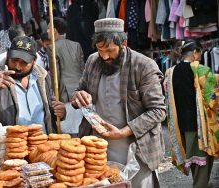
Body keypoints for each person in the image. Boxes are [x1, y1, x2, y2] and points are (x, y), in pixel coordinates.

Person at [71, 18, 166, 187]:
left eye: (109, 50)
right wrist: (78, 96)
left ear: (124, 43)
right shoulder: (93, 61)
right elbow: (79, 91)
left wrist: (123, 132)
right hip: (99, 151)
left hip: (136, 151)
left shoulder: (144, 66)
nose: (105, 56)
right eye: (100, 49)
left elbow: (158, 111)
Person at [0, 36, 66, 133]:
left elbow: (51, 109)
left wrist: (60, 112)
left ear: (34, 61)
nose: (17, 66)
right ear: (8, 55)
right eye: (14, 60)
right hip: (9, 146)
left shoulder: (43, 77)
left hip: (42, 144)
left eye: (24, 62)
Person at [164, 39, 218, 188]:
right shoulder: (200, 70)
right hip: (199, 123)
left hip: (180, 123)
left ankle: (202, 184)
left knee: (193, 157)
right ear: (195, 53)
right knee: (204, 158)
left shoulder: (170, 72)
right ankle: (200, 185)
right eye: (199, 54)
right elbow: (213, 99)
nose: (200, 58)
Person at [47, 17, 84, 136]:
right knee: (78, 126)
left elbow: (55, 75)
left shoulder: (52, 47)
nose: (47, 31)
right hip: (79, 90)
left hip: (64, 91)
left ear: (54, 30)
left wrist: (53, 94)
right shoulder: (77, 45)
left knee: (67, 129)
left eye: (48, 29)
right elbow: (82, 68)